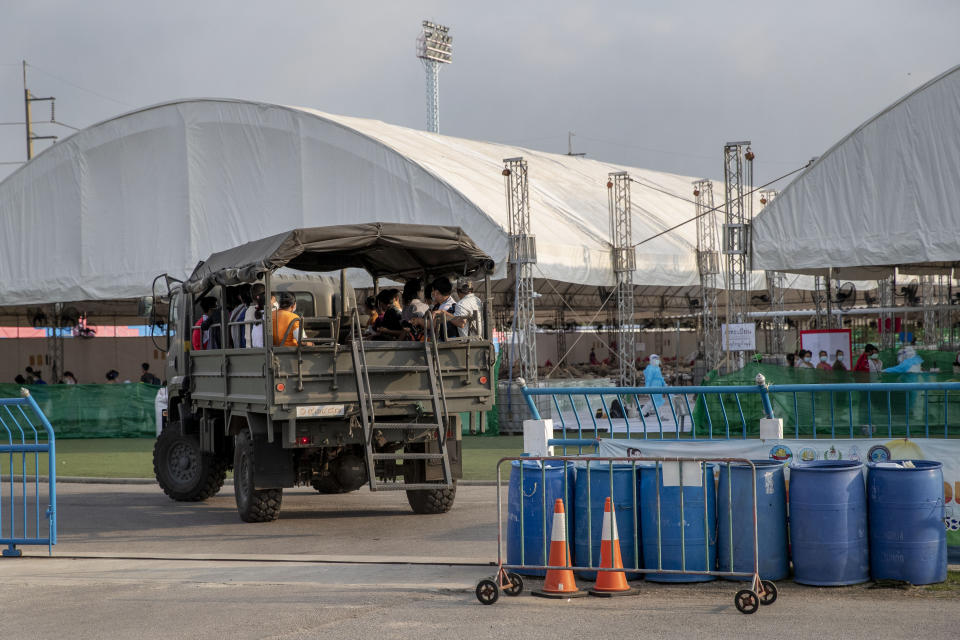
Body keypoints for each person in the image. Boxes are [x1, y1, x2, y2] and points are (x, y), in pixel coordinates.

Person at [430, 276, 459, 340]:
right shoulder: (441, 304)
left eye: (433, 291)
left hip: (449, 343)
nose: (433, 294)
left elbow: (432, 325)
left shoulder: (448, 307)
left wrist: (419, 321)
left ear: (437, 292)